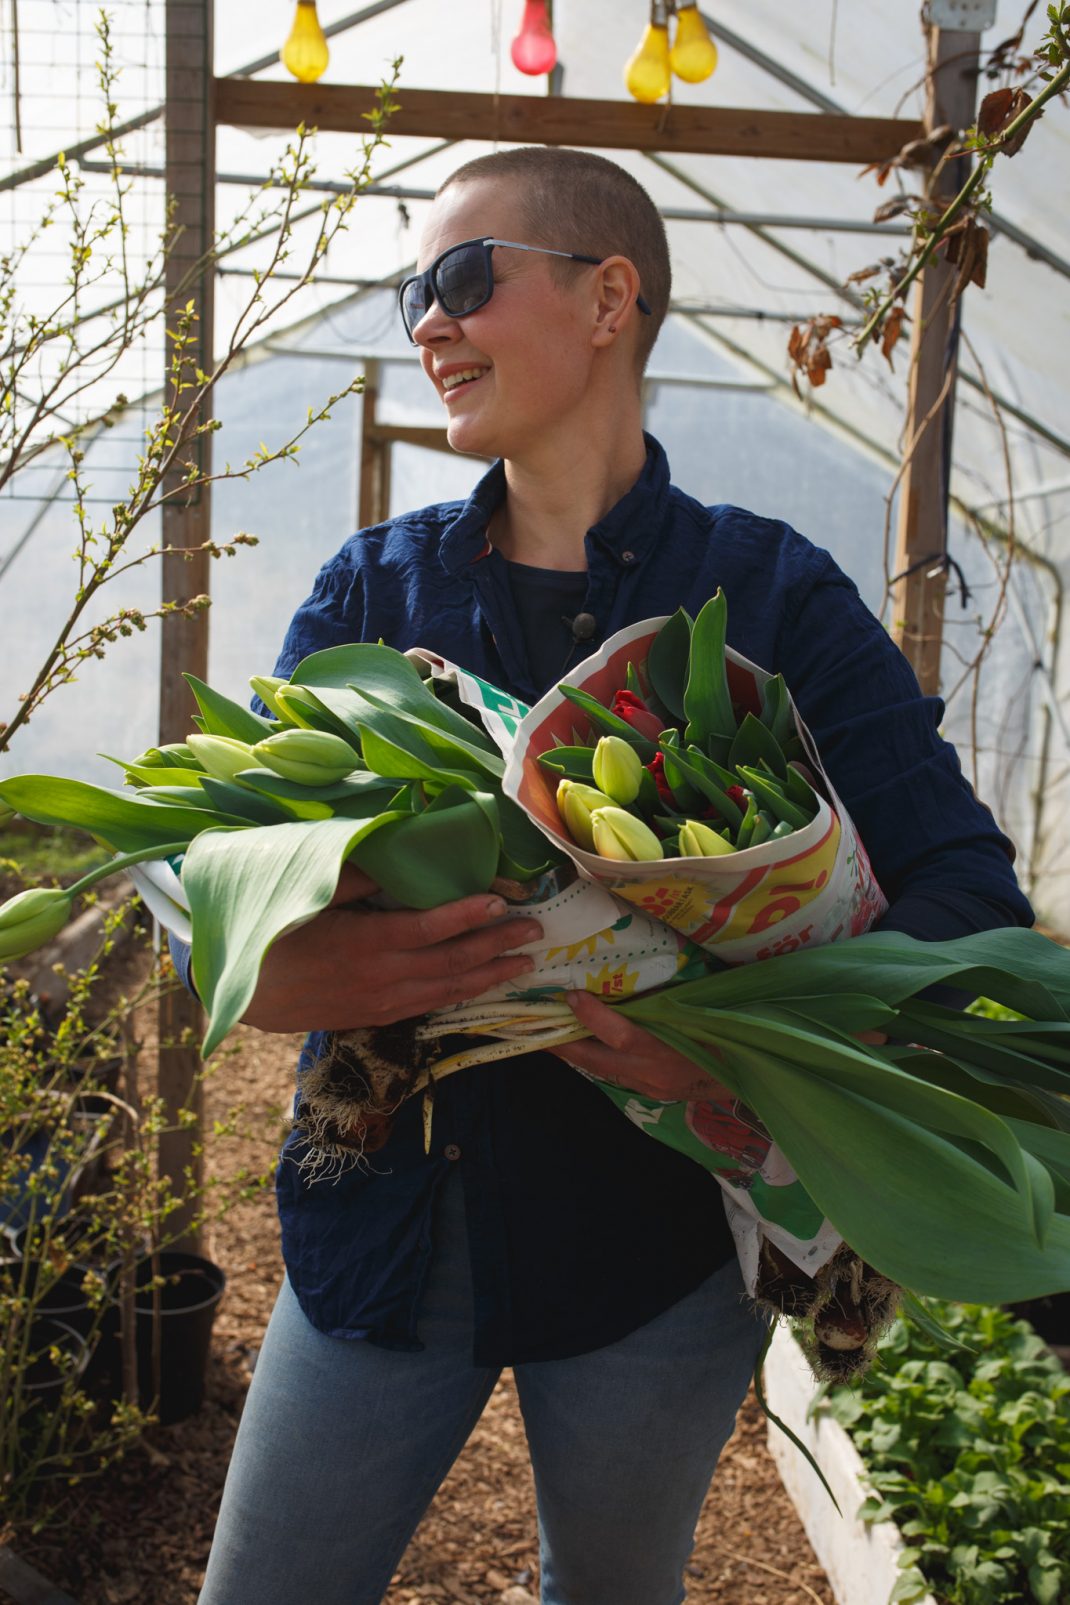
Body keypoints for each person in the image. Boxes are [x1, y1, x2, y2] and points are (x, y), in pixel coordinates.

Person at [194, 147, 1032, 1605]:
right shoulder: (371, 598)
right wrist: (291, 972)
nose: (427, 325)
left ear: (606, 298)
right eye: (412, 296)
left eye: (460, 280)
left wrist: (739, 1029)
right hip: (382, 1229)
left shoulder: (773, 600)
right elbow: (243, 891)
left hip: (654, 1255)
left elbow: (967, 895)